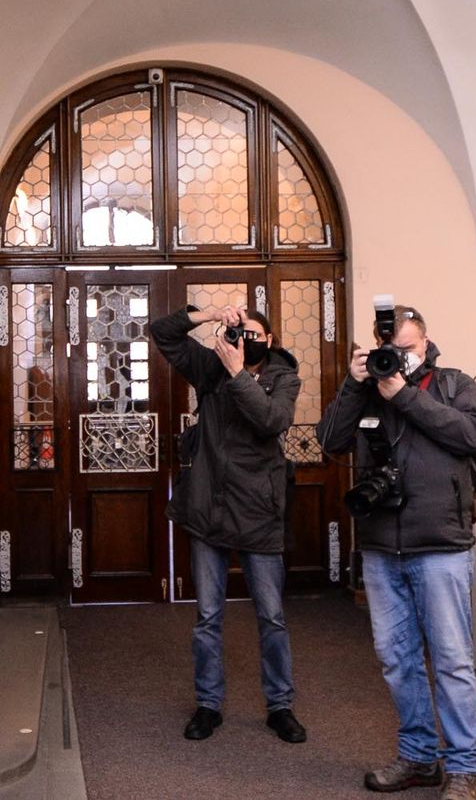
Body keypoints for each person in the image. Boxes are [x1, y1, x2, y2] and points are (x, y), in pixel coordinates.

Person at [317, 305, 476, 800]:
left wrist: (405, 396)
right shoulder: (367, 387)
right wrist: (354, 385)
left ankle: (463, 766)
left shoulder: (454, 384)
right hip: (380, 546)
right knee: (397, 660)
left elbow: (471, 436)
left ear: (426, 343)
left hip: (440, 545)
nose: (399, 357)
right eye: (390, 349)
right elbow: (329, 441)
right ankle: (419, 757)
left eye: (408, 348)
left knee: (452, 661)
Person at [150, 302, 306, 745]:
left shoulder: (284, 378)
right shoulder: (211, 368)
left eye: (255, 333)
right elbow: (162, 333)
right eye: (241, 331)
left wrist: (238, 373)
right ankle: (208, 704)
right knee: (207, 616)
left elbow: (272, 421)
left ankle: (280, 706)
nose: (247, 339)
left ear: (269, 340)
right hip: (210, 509)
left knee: (271, 616)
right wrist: (206, 315)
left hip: (259, 513)